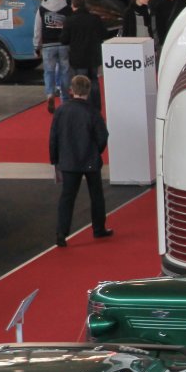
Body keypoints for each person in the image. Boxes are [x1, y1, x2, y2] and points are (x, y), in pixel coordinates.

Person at [49, 75, 111, 247]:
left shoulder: (61, 110)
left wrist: (55, 159)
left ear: (72, 90)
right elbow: (102, 136)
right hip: (90, 159)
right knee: (96, 195)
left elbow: (53, 137)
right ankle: (98, 229)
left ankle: (61, 233)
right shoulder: (92, 111)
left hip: (68, 161)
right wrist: (95, 151)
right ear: (88, 91)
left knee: (67, 197)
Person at [34, 0, 71, 113]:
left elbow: (37, 29)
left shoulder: (42, 8)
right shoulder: (67, 9)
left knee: (49, 71)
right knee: (65, 71)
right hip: (64, 45)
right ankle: (65, 98)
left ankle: (50, 94)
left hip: (48, 45)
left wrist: (36, 46)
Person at [63, 0, 106, 107]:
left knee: (81, 82)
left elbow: (64, 39)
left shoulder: (70, 20)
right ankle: (96, 106)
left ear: (73, 5)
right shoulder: (95, 19)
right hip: (94, 56)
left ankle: (84, 106)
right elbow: (103, 34)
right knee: (94, 80)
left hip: (78, 57)